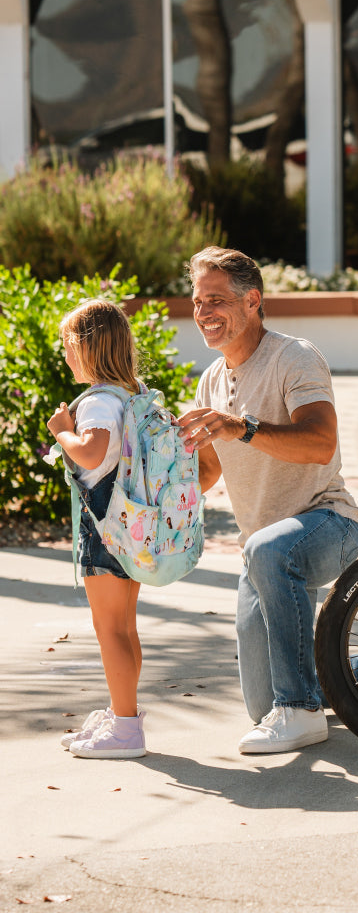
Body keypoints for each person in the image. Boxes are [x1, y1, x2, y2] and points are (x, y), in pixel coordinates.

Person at [177, 247, 358, 754]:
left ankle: (302, 713)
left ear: (252, 300)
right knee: (263, 705)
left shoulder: (294, 357)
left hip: (326, 524)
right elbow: (212, 468)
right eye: (197, 302)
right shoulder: (211, 380)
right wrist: (153, 492)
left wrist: (242, 427)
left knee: (268, 551)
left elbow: (320, 441)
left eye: (215, 300)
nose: (203, 313)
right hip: (262, 554)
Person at [48, 299, 148, 759]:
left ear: (87, 348)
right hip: (128, 527)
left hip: (103, 529)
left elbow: (89, 454)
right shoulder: (129, 394)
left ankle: (126, 729)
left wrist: (61, 431)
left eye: (69, 345)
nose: (65, 353)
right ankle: (121, 712)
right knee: (124, 626)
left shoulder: (99, 403)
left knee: (109, 629)